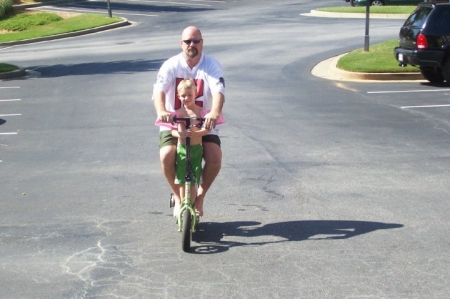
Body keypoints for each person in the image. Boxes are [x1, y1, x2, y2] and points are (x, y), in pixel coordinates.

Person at [153, 26, 225, 217]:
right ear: (181, 43)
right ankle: (178, 196)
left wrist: (214, 113)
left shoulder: (211, 64)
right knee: (167, 154)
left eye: (196, 41)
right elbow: (158, 92)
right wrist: (161, 111)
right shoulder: (171, 65)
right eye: (187, 41)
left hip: (203, 122)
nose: (191, 45)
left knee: (214, 156)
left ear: (202, 42)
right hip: (174, 122)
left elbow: (219, 92)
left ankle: (200, 198)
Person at [171, 78, 210, 217]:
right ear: (178, 96)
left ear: (195, 95)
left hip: (196, 149)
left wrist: (198, 132)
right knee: (182, 177)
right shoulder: (179, 113)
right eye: (183, 96)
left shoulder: (200, 112)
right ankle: (182, 202)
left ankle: (192, 204)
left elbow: (207, 130)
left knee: (193, 178)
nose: (186, 98)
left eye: (189, 95)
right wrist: (180, 133)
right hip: (182, 149)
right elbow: (172, 131)